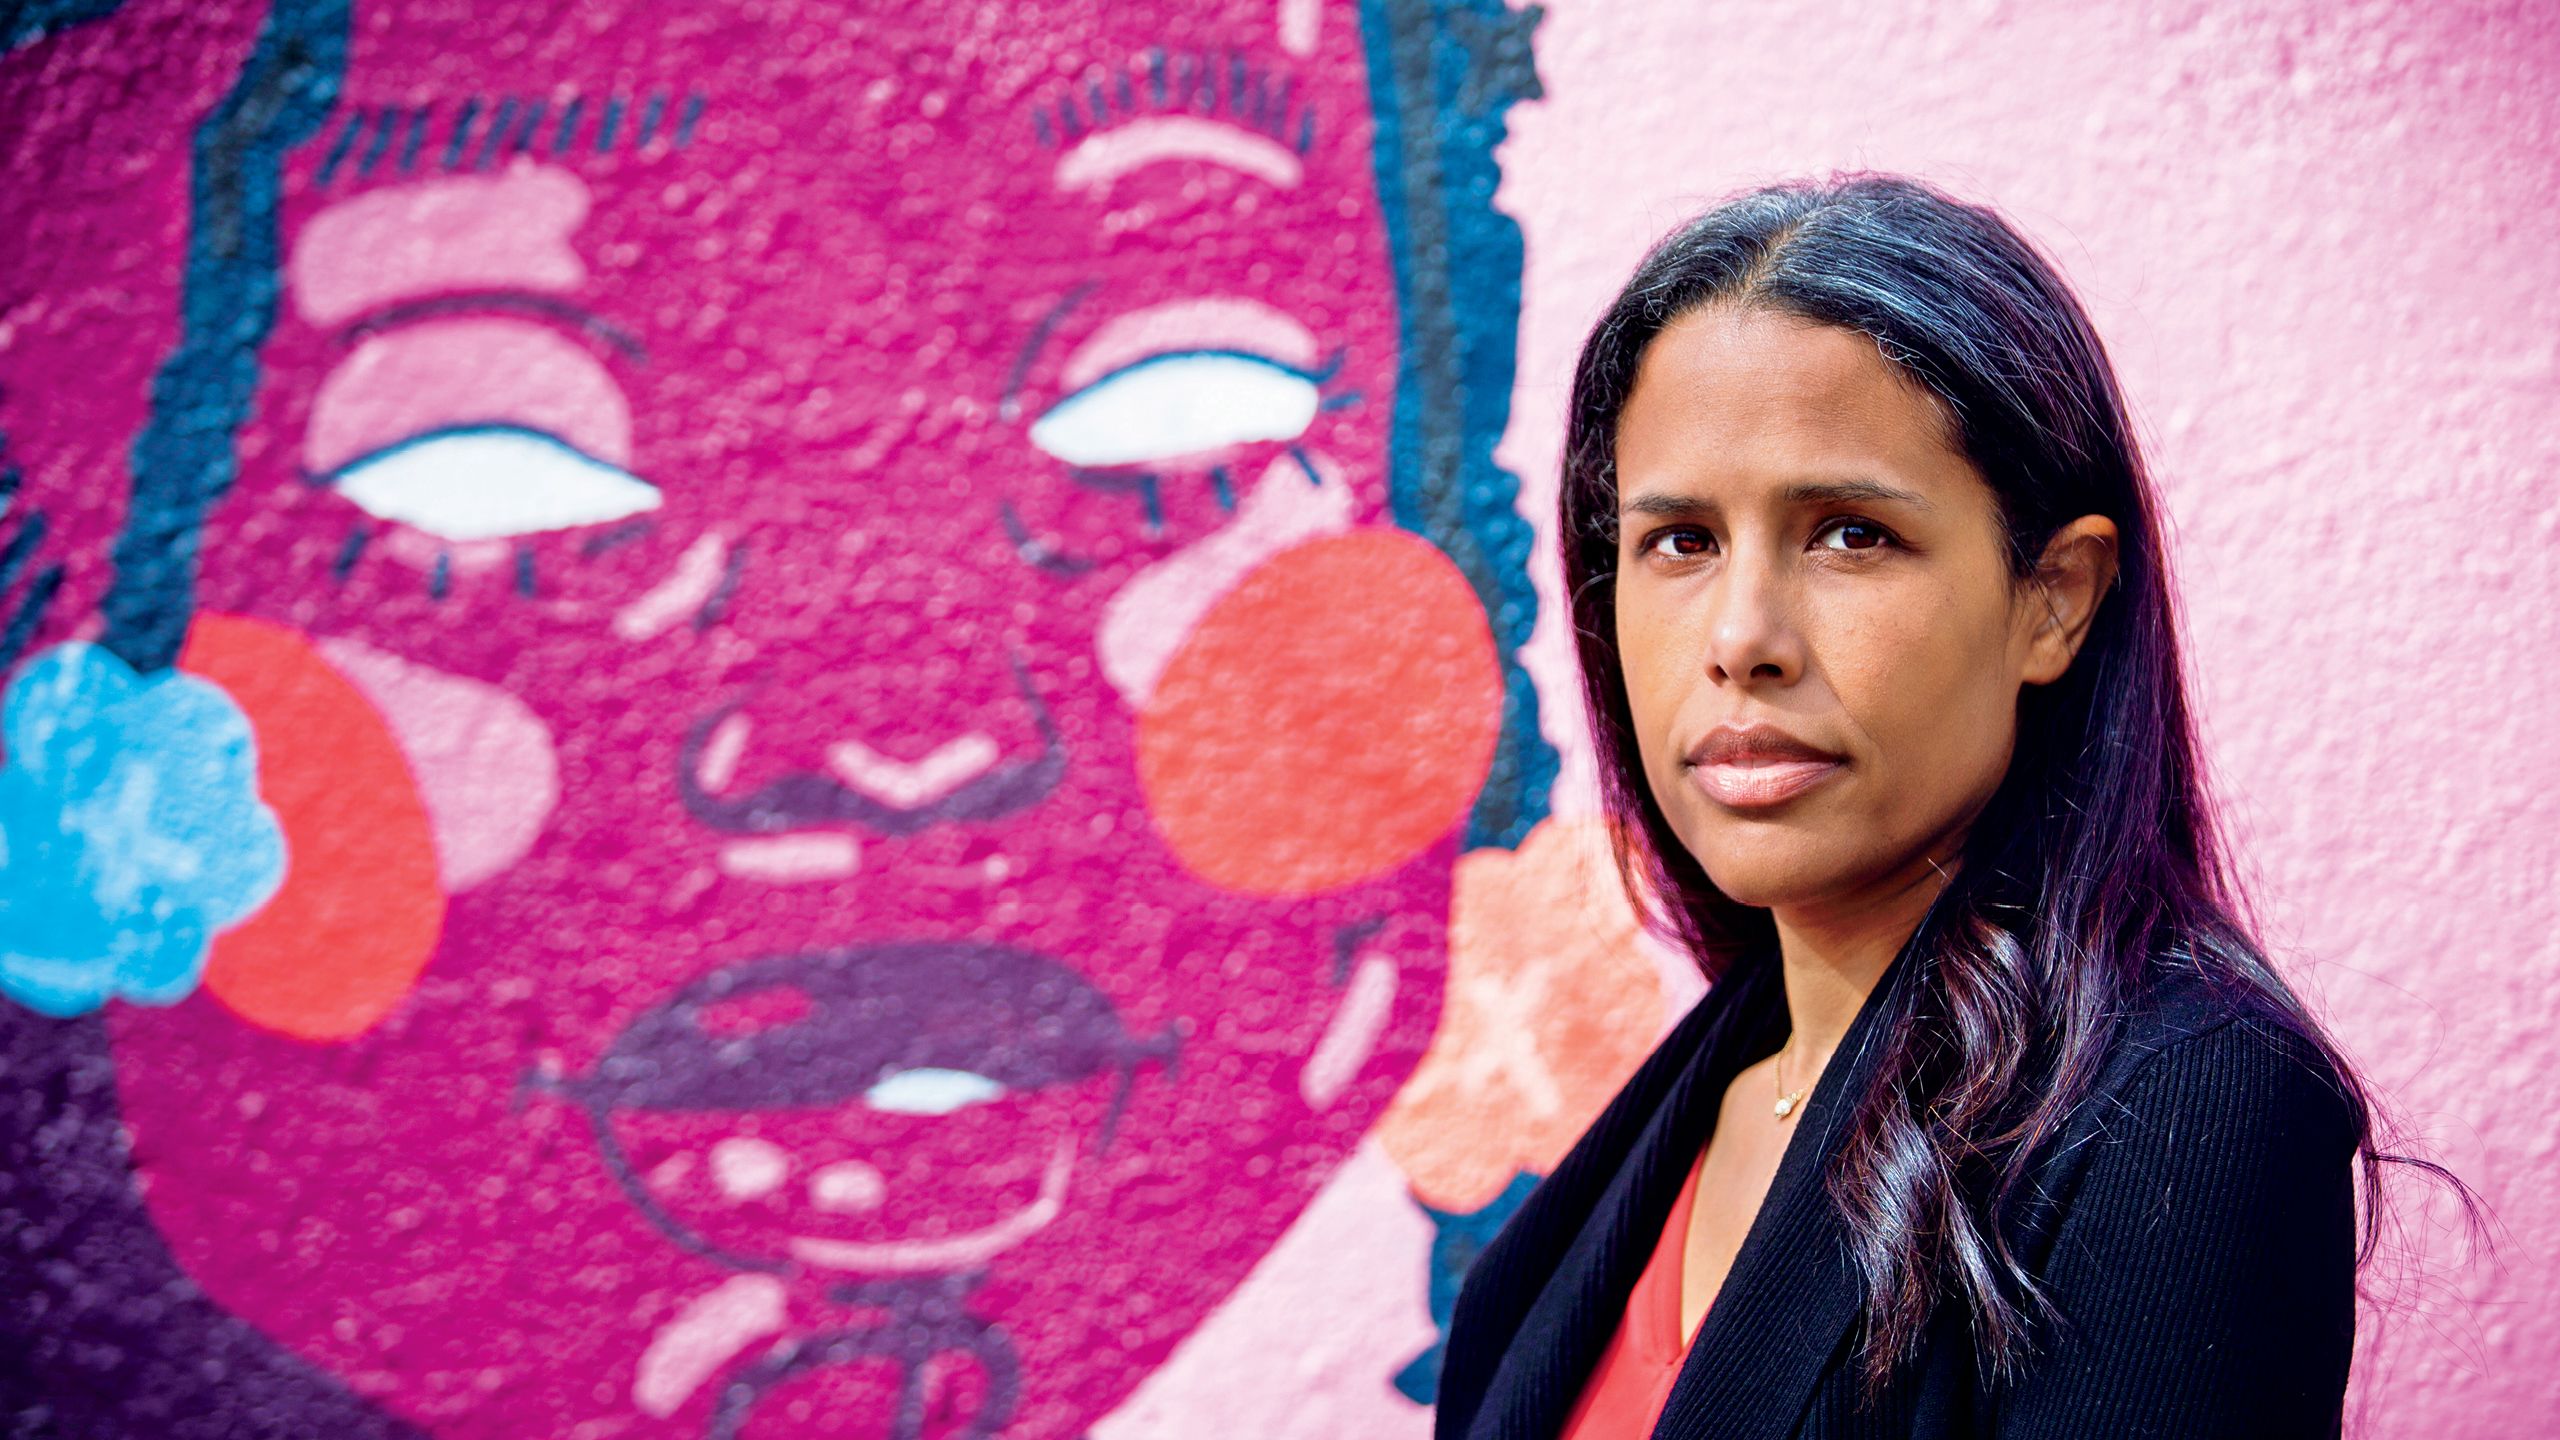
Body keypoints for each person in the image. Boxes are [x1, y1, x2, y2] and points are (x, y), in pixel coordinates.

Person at [1432, 174, 2462, 1438]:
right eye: (1680, 542)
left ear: (2055, 599)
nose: (1740, 638)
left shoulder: (2184, 1108)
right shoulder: (1687, 1118)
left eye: (1850, 534)